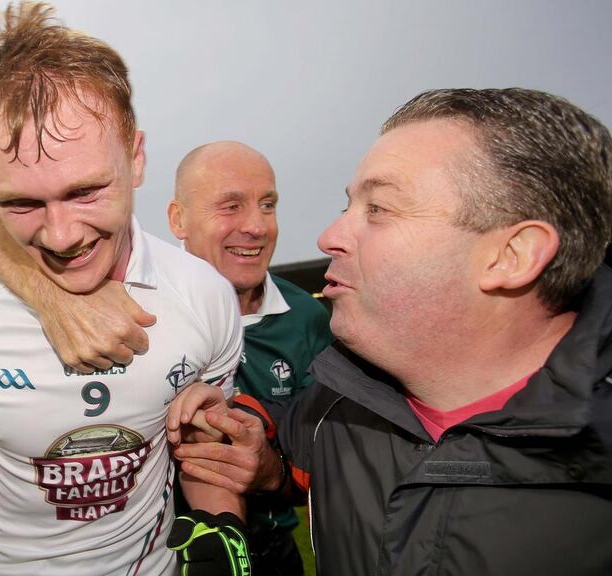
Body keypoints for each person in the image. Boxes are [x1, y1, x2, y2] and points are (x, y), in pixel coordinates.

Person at [168, 88, 612, 575]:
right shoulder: (337, 408)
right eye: (349, 205)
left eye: (378, 209)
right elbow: (276, 442)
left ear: (512, 255)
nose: (327, 236)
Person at [0, 3, 247, 575]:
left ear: (137, 158)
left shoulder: (205, 296)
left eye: (86, 191)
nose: (62, 234)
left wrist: (223, 527)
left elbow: (203, 445)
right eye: (22, 202)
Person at [168, 141, 332, 575]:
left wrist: (270, 472)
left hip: (275, 548)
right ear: (178, 219)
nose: (257, 227)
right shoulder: (142, 316)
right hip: (176, 549)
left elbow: (323, 456)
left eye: (267, 205)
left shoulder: (307, 318)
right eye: (231, 206)